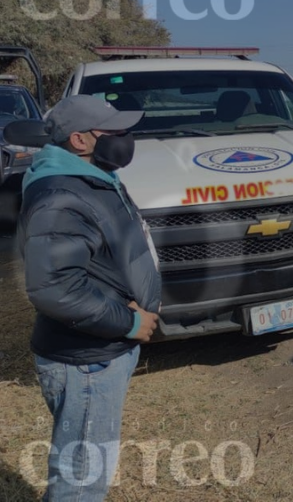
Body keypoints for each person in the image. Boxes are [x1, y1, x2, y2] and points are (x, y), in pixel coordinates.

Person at [18, 95, 162, 502]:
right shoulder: (62, 195)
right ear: (80, 140)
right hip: (87, 361)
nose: (126, 139)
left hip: (100, 351)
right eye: (116, 132)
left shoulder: (92, 177)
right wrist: (130, 321)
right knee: (81, 479)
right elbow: (55, 287)